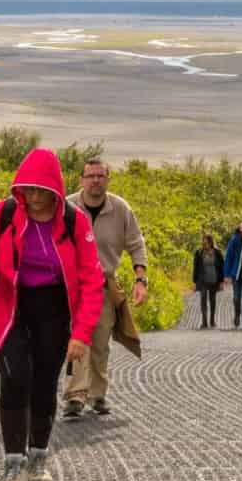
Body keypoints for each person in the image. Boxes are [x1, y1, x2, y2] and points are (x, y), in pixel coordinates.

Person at [0, 147, 103, 481]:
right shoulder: (5, 213)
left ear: (56, 191)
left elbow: (92, 280)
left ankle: (38, 461)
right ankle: (13, 465)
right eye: (28, 189)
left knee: (44, 382)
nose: (35, 198)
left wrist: (81, 334)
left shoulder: (75, 222)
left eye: (42, 191)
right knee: (15, 378)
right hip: (10, 306)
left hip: (54, 309)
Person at [63, 157, 148, 418]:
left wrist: (140, 279)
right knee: (78, 340)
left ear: (107, 179)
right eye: (90, 176)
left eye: (100, 176)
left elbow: (136, 243)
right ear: (81, 180)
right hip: (71, 286)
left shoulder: (120, 208)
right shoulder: (66, 207)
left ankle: (97, 395)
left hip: (102, 284)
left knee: (100, 342)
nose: (95, 180)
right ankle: (76, 396)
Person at [191, 232, 223, 329]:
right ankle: (204, 322)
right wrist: (195, 282)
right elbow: (195, 267)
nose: (205, 244)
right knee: (203, 298)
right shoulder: (199, 252)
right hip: (202, 279)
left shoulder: (217, 252)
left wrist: (221, 281)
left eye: (207, 242)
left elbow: (221, 267)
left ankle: (212, 320)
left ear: (211, 242)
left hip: (214, 278)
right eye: (204, 242)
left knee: (212, 300)